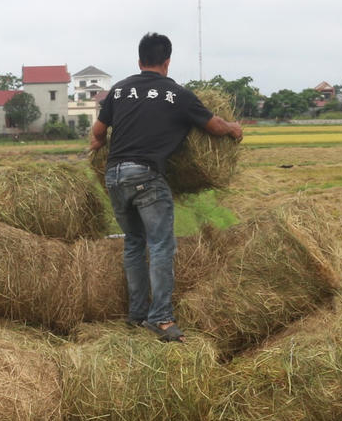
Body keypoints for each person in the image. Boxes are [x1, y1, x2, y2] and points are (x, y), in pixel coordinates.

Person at [89, 32, 243, 342]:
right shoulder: (178, 95)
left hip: (115, 176)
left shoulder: (118, 90)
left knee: (134, 242)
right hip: (147, 178)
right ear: (167, 62)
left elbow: (97, 132)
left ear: (139, 61)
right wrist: (232, 128)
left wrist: (98, 143)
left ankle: (136, 314)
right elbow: (213, 126)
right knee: (160, 246)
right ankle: (160, 318)